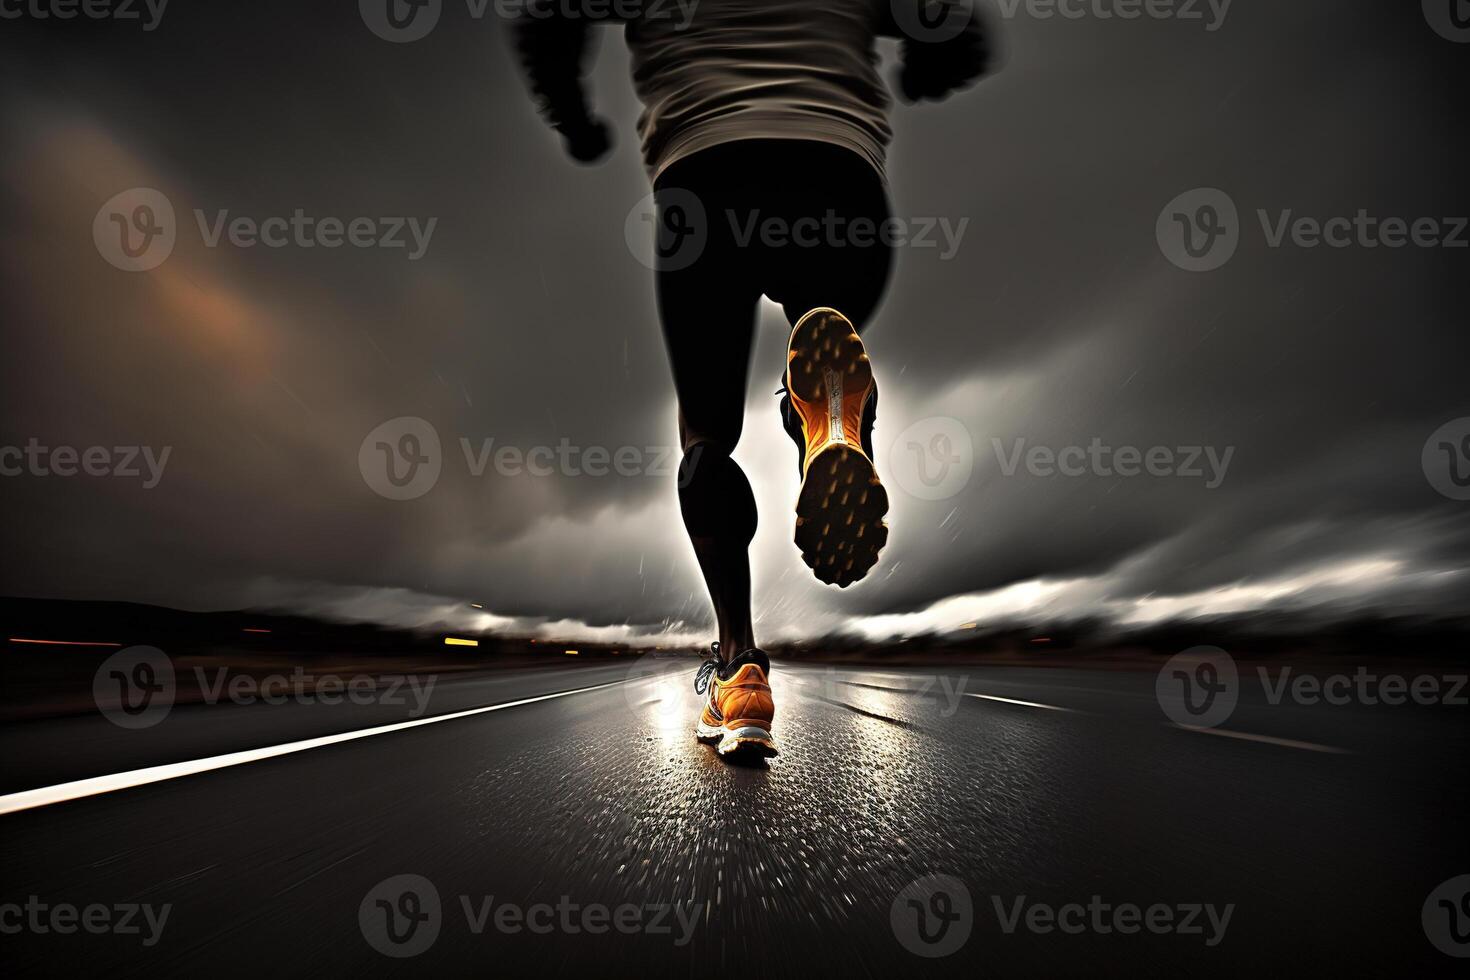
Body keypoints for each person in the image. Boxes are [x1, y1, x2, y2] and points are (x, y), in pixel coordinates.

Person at [513, 0, 992, 756]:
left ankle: (739, 668)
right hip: (841, 184)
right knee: (824, 322)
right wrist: (926, 68)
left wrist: (574, 118)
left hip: (705, 185)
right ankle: (828, 424)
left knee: (707, 435)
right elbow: (958, 30)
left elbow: (544, 19)